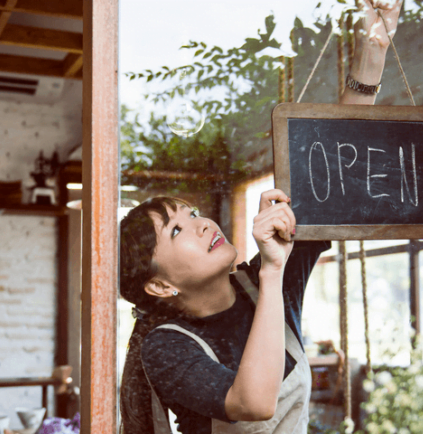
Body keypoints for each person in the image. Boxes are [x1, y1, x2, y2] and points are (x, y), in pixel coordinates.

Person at [119, 1, 401, 433]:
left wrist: (375, 50)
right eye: (178, 230)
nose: (203, 223)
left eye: (194, 213)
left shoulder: (267, 278)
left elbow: (338, 167)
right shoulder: (166, 345)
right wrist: (271, 270)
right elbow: (251, 403)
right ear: (160, 285)